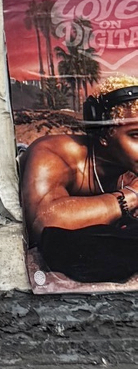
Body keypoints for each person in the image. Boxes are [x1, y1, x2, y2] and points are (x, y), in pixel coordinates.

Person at [20, 82, 138, 285]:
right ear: (104, 135)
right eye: (136, 135)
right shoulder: (53, 154)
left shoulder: (129, 167)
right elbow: (44, 221)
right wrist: (131, 196)